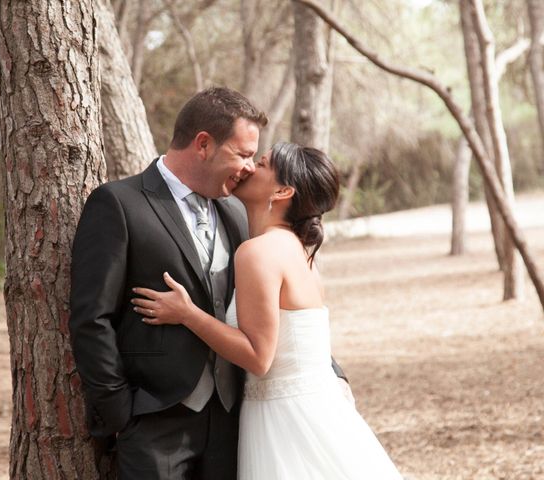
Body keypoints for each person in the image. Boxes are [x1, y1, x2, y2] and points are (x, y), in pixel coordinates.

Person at [69, 87, 348, 480]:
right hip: (154, 422)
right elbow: (91, 318)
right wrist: (119, 413)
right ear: (203, 144)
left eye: (256, 158)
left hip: (235, 422)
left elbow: (280, 310)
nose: (249, 168)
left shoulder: (238, 212)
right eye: (244, 153)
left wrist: (326, 375)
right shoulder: (119, 204)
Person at [132, 142, 403, 479]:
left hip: (286, 421)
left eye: (260, 164)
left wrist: (188, 314)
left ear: (283, 190)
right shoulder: (300, 253)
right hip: (315, 409)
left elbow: (259, 357)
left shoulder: (259, 252)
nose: (248, 168)